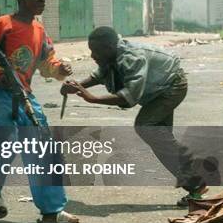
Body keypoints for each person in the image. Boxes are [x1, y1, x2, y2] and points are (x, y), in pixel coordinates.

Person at [60, 26, 206, 206]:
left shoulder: (132, 57)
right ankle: (195, 186)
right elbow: (99, 75)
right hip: (159, 89)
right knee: (159, 137)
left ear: (109, 48)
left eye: (96, 51)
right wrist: (77, 86)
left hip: (172, 87)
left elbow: (129, 97)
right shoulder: (112, 54)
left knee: (146, 127)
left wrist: (94, 99)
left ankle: (192, 171)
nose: (93, 56)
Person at [0, 0, 79, 223]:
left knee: (42, 145)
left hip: (25, 94)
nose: (42, 0)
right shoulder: (3, 24)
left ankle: (52, 210)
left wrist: (61, 69)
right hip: (1, 95)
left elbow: (47, 63)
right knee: (5, 145)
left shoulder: (39, 30)